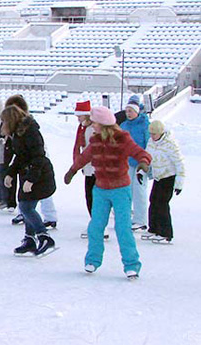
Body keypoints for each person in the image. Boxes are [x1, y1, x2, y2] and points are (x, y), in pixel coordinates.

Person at [64, 106, 151, 279]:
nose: (92, 125)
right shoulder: (96, 140)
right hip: (101, 190)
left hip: (120, 189)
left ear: (103, 123)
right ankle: (92, 260)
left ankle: (131, 264)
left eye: (94, 122)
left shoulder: (122, 138)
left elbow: (141, 152)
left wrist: (143, 163)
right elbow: (84, 157)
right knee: (95, 227)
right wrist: (72, 170)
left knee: (122, 228)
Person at [2, 105, 57, 256]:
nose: (3, 125)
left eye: (5, 121)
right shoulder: (18, 134)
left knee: (26, 207)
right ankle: (30, 240)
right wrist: (10, 173)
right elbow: (20, 156)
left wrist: (31, 180)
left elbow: (39, 156)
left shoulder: (31, 132)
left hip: (40, 175)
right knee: (25, 205)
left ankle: (44, 236)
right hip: (29, 173)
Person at [142, 120, 185, 244]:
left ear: (161, 133)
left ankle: (165, 233)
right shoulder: (151, 142)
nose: (152, 136)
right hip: (158, 177)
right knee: (153, 201)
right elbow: (147, 157)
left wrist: (179, 184)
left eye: (154, 134)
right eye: (150, 134)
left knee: (162, 203)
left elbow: (180, 164)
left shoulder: (170, 144)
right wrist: (141, 172)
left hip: (168, 177)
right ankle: (154, 229)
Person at [70, 101, 101, 238]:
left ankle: (99, 227)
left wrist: (79, 164)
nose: (78, 119)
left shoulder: (92, 130)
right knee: (90, 197)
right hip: (88, 168)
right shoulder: (83, 128)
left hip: (96, 169)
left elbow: (93, 150)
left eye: (80, 116)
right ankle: (97, 224)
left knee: (94, 198)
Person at [120, 97, 150, 231]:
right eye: (127, 111)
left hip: (140, 163)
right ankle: (129, 216)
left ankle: (141, 220)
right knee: (127, 189)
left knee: (139, 190)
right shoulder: (124, 125)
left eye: (131, 111)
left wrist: (146, 160)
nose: (128, 113)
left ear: (137, 111)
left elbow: (149, 143)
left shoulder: (144, 125)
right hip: (127, 162)